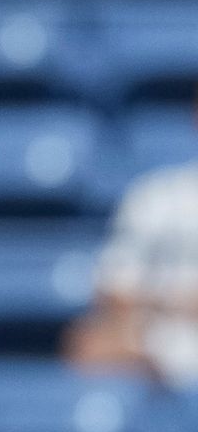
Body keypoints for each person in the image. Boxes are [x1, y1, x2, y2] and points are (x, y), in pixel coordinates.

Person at [64, 96, 198, 389]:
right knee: (90, 343)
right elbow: (115, 287)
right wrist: (172, 303)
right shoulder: (157, 195)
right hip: (156, 343)